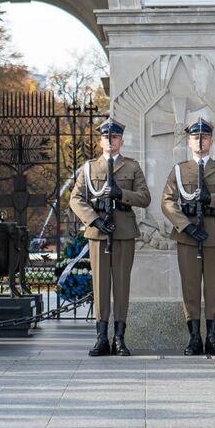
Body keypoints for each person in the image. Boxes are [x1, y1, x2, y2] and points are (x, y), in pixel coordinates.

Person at [161, 118, 215, 356]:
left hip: (214, 233)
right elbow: (167, 202)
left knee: (214, 287)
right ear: (189, 141)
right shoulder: (179, 170)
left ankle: (213, 338)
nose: (200, 140)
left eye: (204, 137)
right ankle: (194, 337)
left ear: (211, 141)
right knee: (190, 287)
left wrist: (211, 199)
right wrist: (185, 226)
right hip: (187, 236)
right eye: (195, 137)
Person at [69, 117, 151, 357]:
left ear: (121, 141)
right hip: (98, 232)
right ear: (100, 140)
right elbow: (76, 199)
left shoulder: (132, 167)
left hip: (123, 230)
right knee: (101, 286)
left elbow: (144, 197)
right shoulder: (89, 167)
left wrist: (121, 193)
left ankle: (119, 338)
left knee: (122, 286)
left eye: (114, 137)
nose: (110, 140)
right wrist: (93, 219)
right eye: (106, 137)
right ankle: (101, 338)